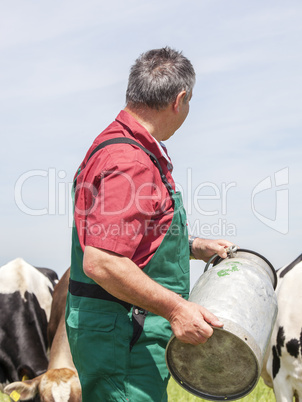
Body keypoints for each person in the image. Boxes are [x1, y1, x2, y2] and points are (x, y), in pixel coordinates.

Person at [65, 47, 233, 401]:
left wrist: (189, 247)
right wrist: (176, 308)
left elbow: (123, 236)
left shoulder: (118, 145)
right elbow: (103, 260)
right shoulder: (130, 161)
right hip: (124, 334)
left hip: (121, 329)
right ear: (180, 99)